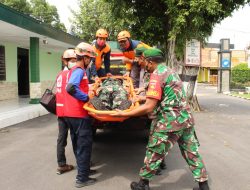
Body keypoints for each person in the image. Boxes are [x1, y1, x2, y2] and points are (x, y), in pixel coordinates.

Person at [110, 48, 210, 190]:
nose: (142, 63)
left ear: (150, 62)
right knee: (191, 153)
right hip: (185, 119)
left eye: (143, 61)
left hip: (169, 121)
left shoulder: (156, 76)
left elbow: (149, 107)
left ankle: (143, 184)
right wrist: (143, 97)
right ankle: (203, 186)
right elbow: (168, 94)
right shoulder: (169, 71)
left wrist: (125, 114)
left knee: (154, 151)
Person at [57, 42, 96, 188]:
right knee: (84, 145)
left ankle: (84, 171)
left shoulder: (72, 70)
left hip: (70, 114)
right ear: (85, 58)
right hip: (78, 115)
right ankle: (82, 179)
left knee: (78, 145)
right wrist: (86, 97)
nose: (90, 62)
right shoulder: (79, 70)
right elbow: (71, 87)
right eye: (90, 59)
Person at [55, 49, 77, 175]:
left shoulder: (59, 75)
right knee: (75, 137)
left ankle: (61, 164)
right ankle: (82, 163)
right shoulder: (71, 75)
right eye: (73, 61)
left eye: (75, 60)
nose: (74, 63)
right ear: (65, 61)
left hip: (60, 112)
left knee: (61, 139)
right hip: (70, 112)